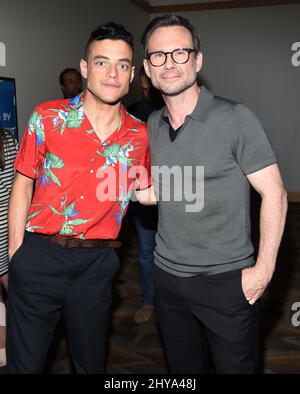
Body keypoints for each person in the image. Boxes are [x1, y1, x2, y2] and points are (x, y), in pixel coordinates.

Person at [140, 14, 288, 373]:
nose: (169, 63)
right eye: (158, 55)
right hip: (167, 278)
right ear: (147, 67)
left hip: (226, 281)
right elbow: (165, 190)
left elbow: (276, 194)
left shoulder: (236, 118)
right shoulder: (153, 125)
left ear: (198, 60)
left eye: (180, 53)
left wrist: (263, 271)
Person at [7, 22, 151, 374]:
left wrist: (207, 179)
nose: (112, 73)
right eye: (102, 62)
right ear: (85, 68)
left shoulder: (139, 135)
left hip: (96, 266)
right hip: (39, 256)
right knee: (24, 366)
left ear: (132, 73)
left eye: (122, 64)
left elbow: (145, 192)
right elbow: (22, 184)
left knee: (89, 364)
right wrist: (16, 256)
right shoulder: (46, 118)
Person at [127, 68, 162, 324]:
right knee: (146, 252)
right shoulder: (131, 112)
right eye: (144, 87)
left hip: (176, 195)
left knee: (178, 253)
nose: (148, 92)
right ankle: (149, 300)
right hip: (143, 197)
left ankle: (177, 303)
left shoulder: (176, 110)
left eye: (151, 87)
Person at [0, 128, 18, 367]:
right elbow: (20, 185)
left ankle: (2, 350)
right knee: (17, 291)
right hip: (9, 227)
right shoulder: (7, 138)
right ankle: (26, 339)